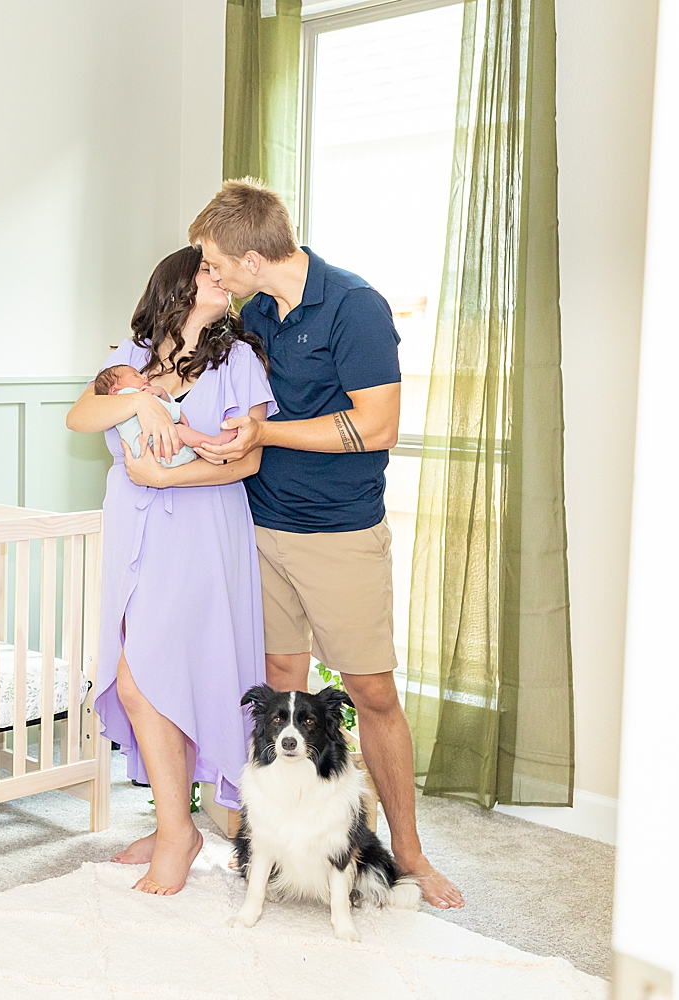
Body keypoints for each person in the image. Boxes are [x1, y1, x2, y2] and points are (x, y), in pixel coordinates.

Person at [189, 177, 465, 910]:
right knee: (284, 690)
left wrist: (266, 432)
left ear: (252, 257)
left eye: (216, 263)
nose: (211, 277)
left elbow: (376, 428)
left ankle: (408, 853)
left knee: (371, 692)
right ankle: (282, 843)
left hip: (339, 532)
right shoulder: (258, 314)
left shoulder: (354, 306)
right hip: (261, 523)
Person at [66, 245, 277, 895]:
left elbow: (244, 462)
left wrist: (165, 473)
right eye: (209, 270)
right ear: (177, 284)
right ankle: (171, 825)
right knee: (157, 681)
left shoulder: (239, 361)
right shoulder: (127, 364)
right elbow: (81, 417)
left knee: (143, 682)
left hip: (202, 533)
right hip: (137, 532)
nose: (223, 279)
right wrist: (142, 405)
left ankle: (178, 834)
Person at [92, 364, 240, 467]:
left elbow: (159, 409)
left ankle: (201, 451)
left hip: (156, 451)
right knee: (180, 431)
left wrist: (162, 393)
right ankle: (215, 442)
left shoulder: (125, 402)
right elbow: (161, 411)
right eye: (135, 375)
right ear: (114, 389)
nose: (143, 376)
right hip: (151, 447)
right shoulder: (126, 395)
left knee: (181, 435)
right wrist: (177, 413)